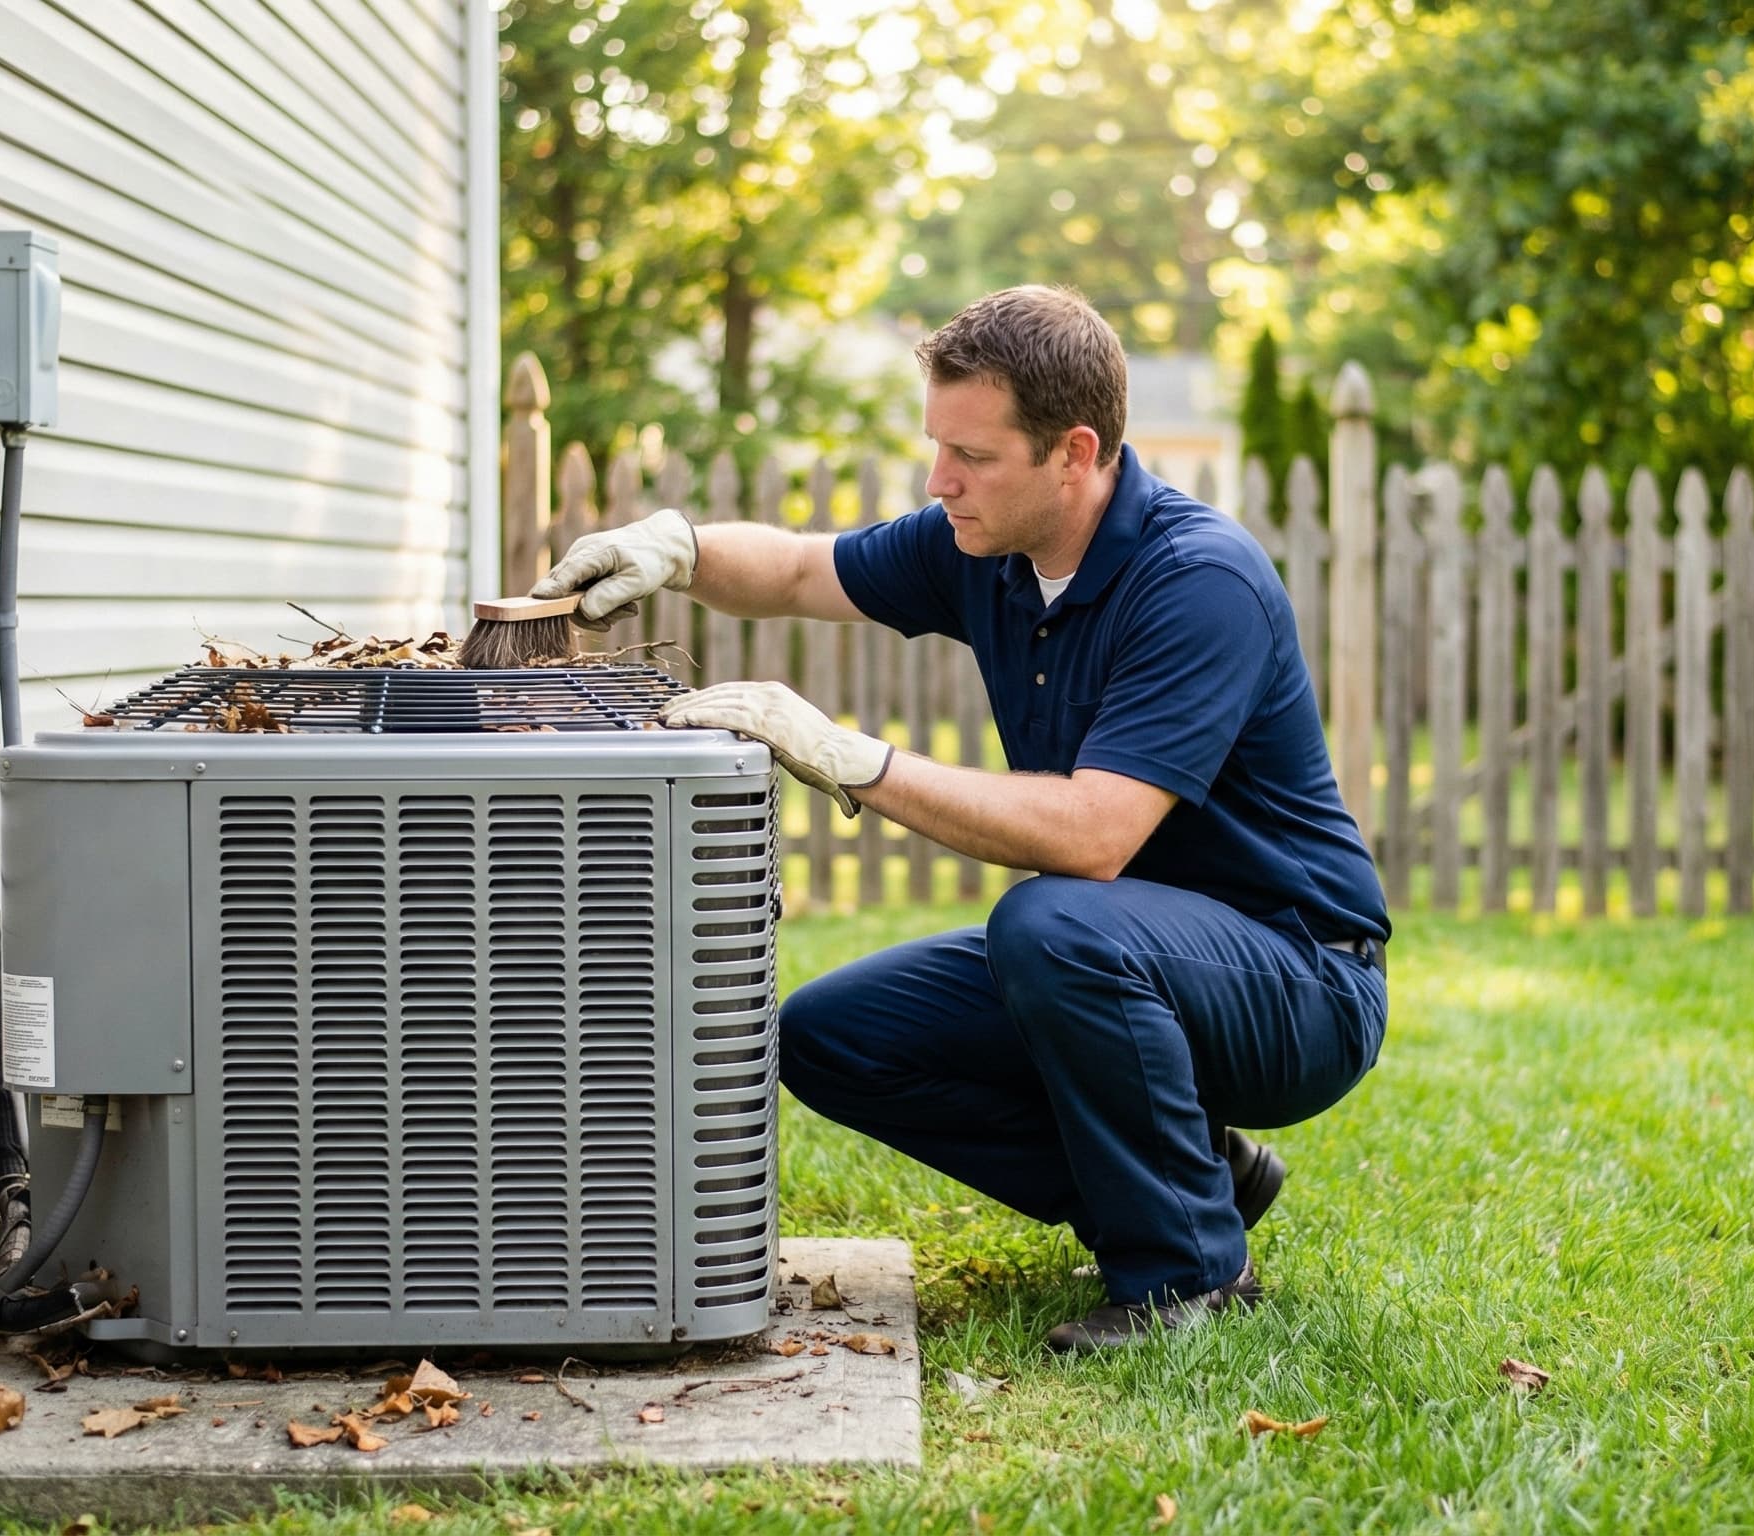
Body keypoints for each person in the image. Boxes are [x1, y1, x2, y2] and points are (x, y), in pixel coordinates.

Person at [534, 286, 1388, 1354]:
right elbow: (798, 569)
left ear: (1074, 453)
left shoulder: (1197, 582)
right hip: (1128, 952)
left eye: (972, 456)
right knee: (835, 1039)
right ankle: (1198, 1180)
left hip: (1298, 979)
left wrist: (855, 759)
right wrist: (678, 550)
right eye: (938, 447)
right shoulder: (983, 546)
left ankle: (1187, 1276)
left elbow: (1092, 837)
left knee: (1050, 920)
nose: (940, 481)